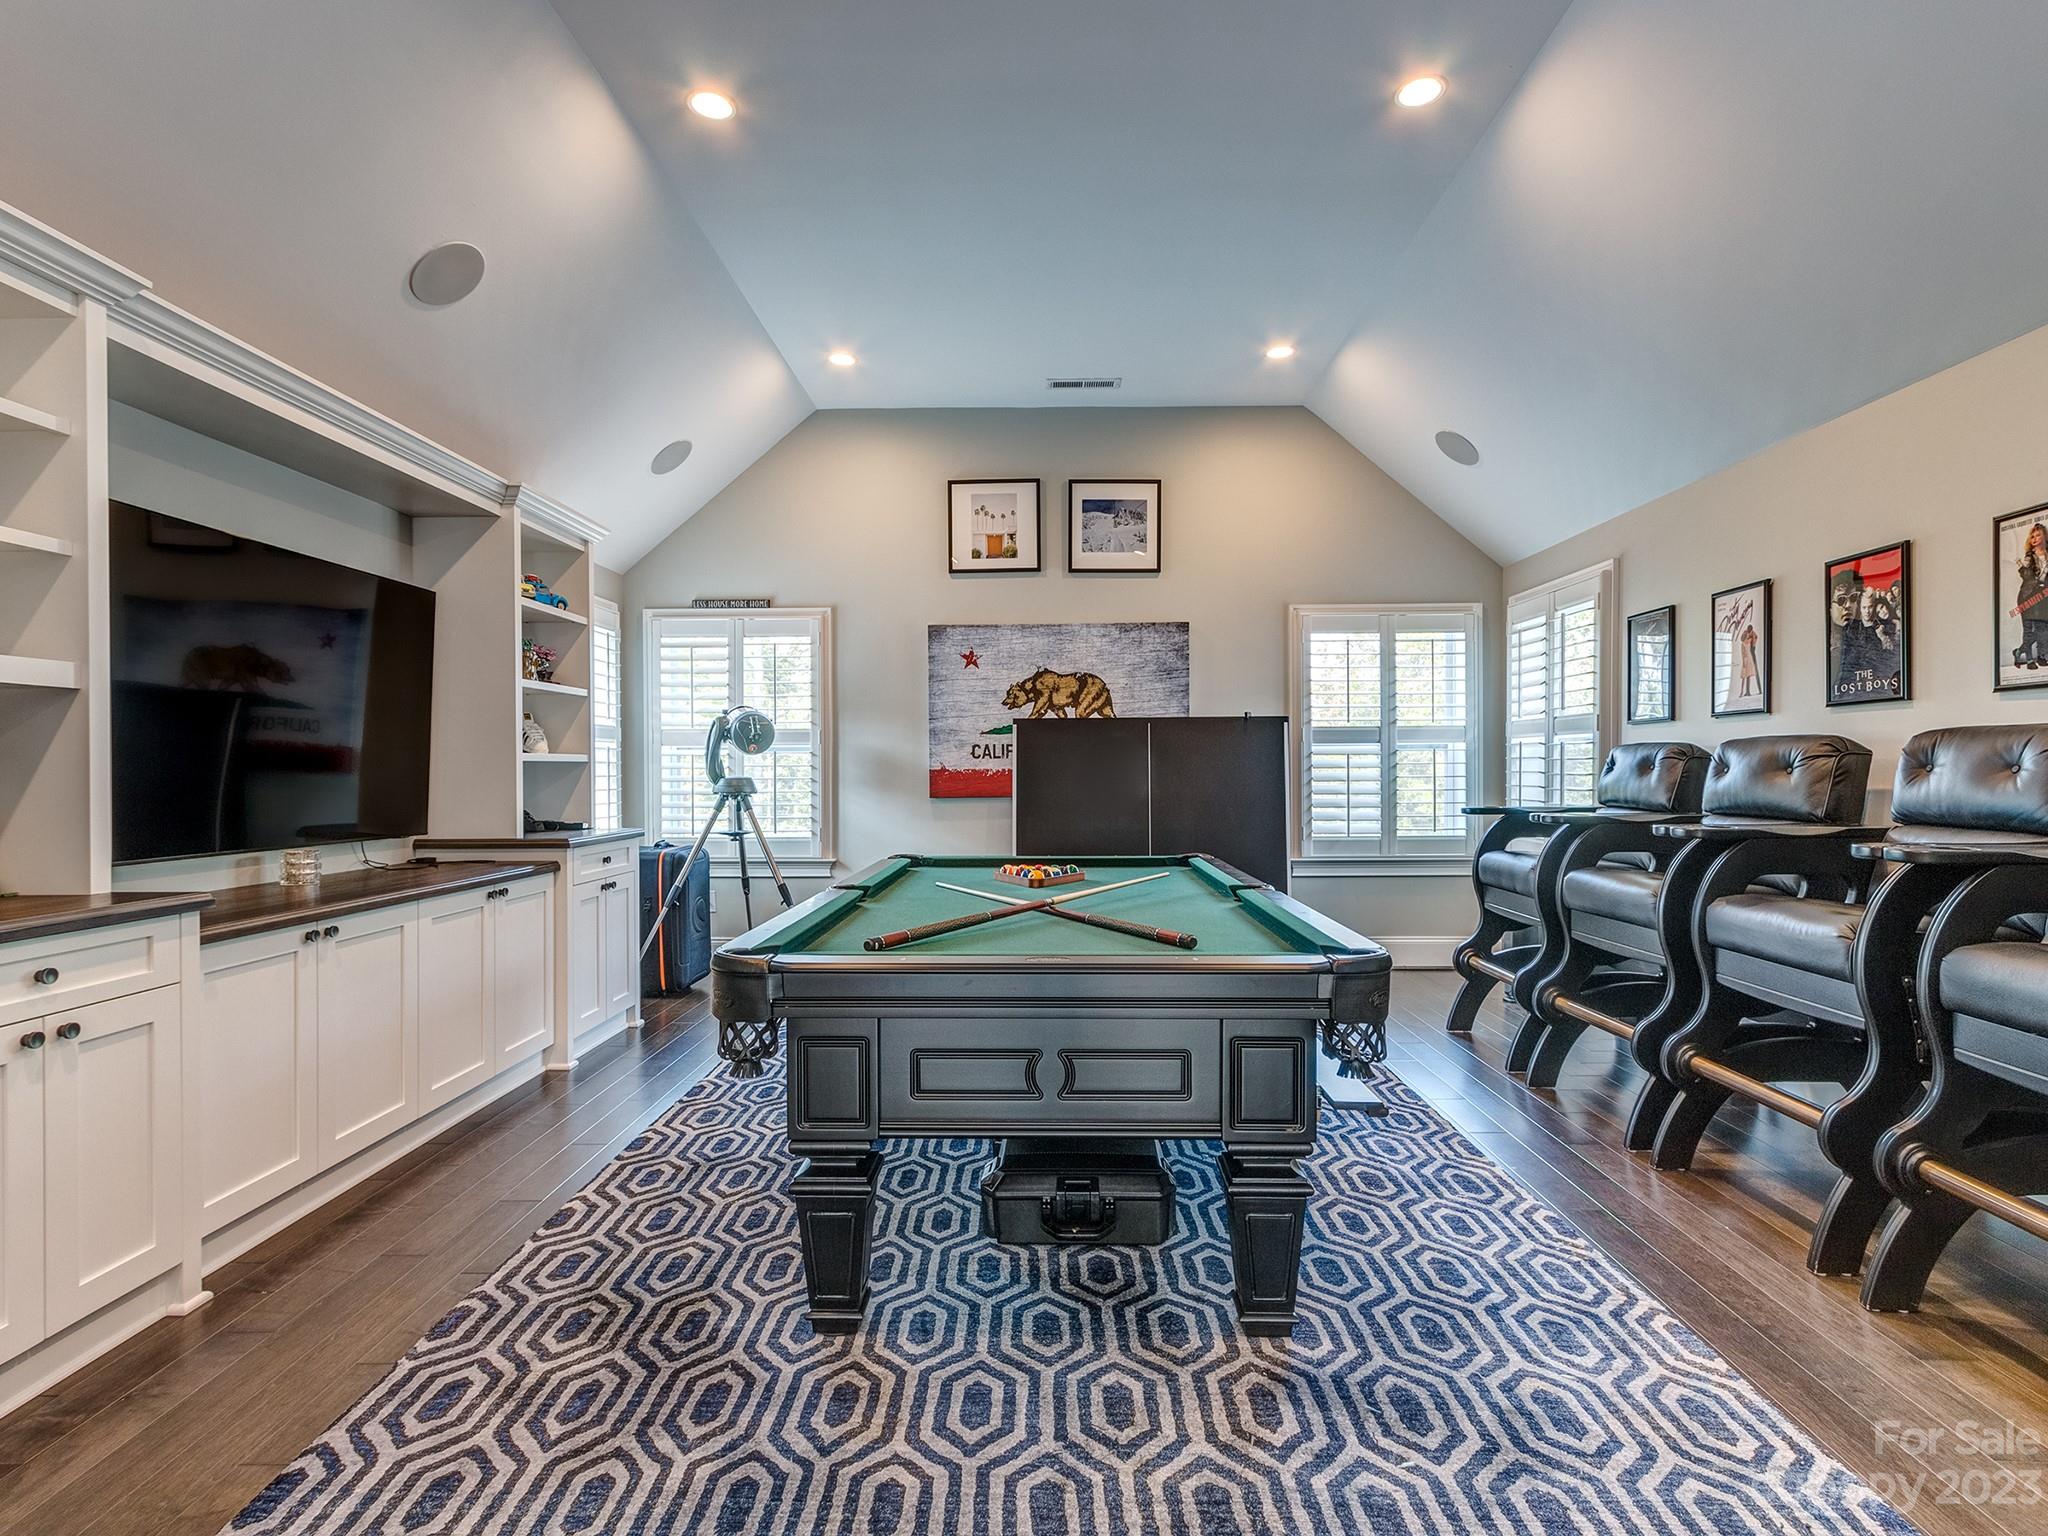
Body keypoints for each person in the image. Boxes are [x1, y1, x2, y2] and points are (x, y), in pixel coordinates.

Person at [2015, 522, 2048, 671]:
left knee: (2043, 629)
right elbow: (2027, 576)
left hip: (2043, 597)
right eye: (2032, 536)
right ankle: (2028, 659)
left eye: (2038, 535)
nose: (2034, 539)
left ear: (2044, 536)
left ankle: (2041, 656)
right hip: (2028, 595)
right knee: (2029, 629)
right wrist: (2022, 568)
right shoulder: (2029, 557)